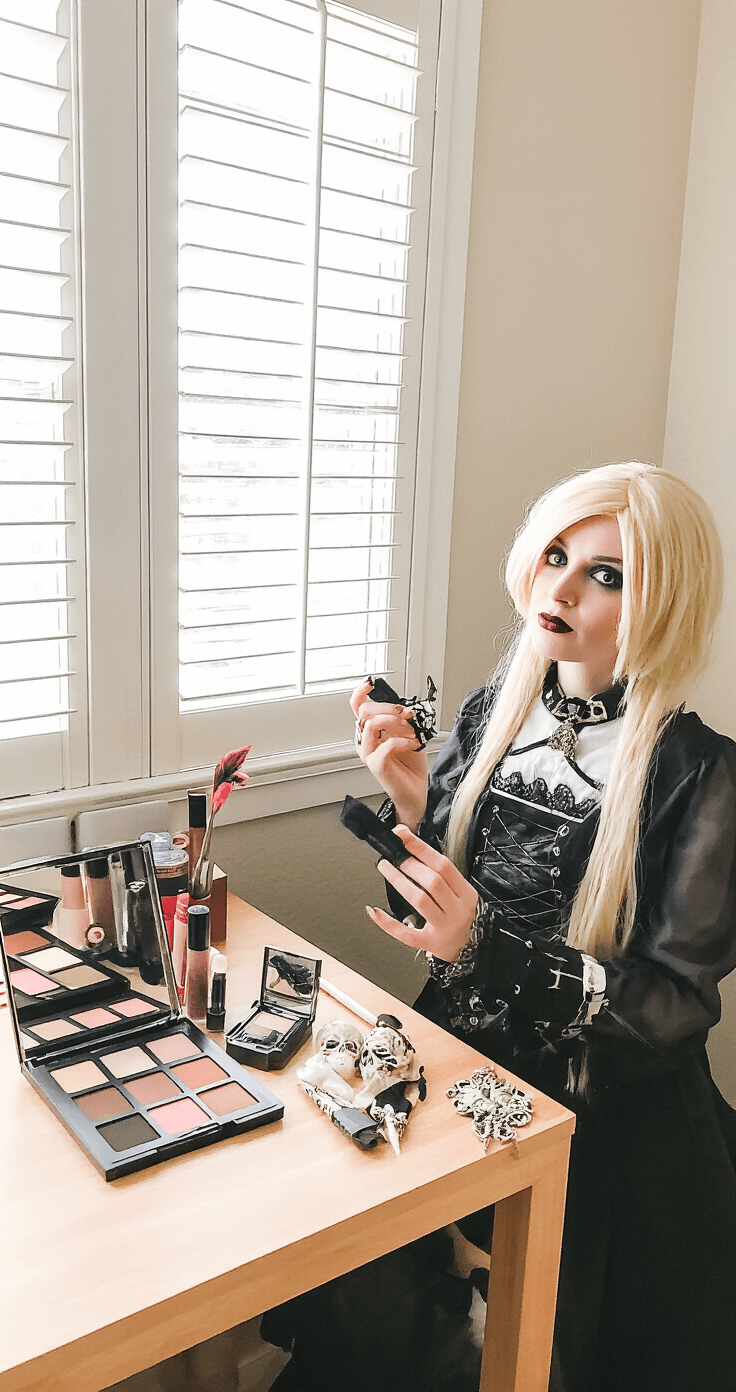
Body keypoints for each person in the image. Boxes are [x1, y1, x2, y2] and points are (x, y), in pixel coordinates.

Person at [267, 462, 736, 1392]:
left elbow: (671, 1009)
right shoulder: (489, 718)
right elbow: (430, 921)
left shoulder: (707, 777)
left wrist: (484, 943)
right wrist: (416, 807)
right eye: (557, 555)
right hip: (450, 1068)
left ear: (663, 600)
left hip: (606, 1112)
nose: (560, 589)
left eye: (608, 574)